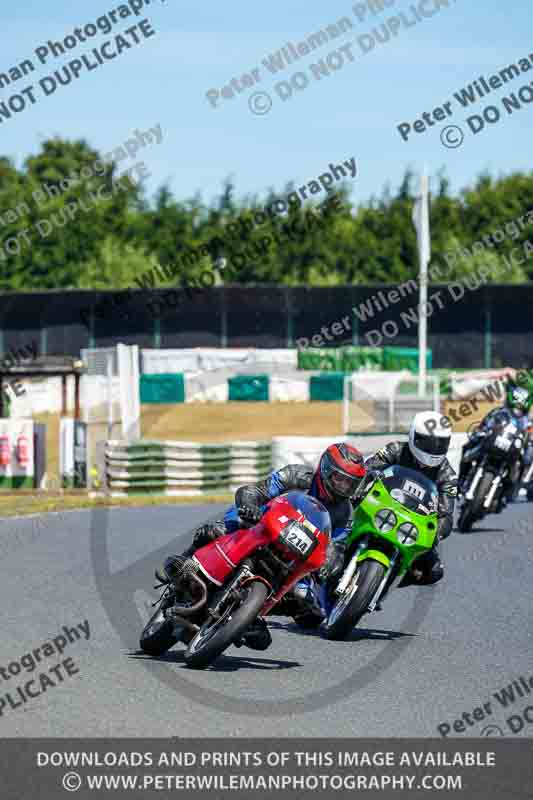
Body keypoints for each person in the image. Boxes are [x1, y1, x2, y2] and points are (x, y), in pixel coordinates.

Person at [158, 443, 368, 650]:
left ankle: (250, 615)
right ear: (325, 470)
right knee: (216, 531)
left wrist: (328, 566)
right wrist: (250, 506)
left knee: (310, 608)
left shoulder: (346, 512)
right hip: (259, 522)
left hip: (293, 553)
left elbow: (336, 548)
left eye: (349, 484)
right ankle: (186, 564)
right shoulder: (296, 475)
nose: (342, 487)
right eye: (339, 479)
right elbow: (255, 490)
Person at [364, 410, 457, 585]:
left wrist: (436, 533)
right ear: (413, 436)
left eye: (439, 444)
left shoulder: (447, 474)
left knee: (434, 571)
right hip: (382, 505)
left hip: (413, 524)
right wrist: (371, 475)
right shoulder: (395, 449)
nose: (433, 448)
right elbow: (368, 467)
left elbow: (446, 514)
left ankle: (391, 576)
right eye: (427, 442)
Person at [459, 383, 532, 511]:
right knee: (467, 448)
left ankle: (505, 495)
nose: (517, 410)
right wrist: (480, 431)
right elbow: (486, 423)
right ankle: (461, 480)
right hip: (491, 443)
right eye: (516, 407)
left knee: (522, 464)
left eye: (520, 408)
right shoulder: (499, 412)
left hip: (511, 451)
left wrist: (525, 449)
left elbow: (528, 439)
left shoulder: (527, 422)